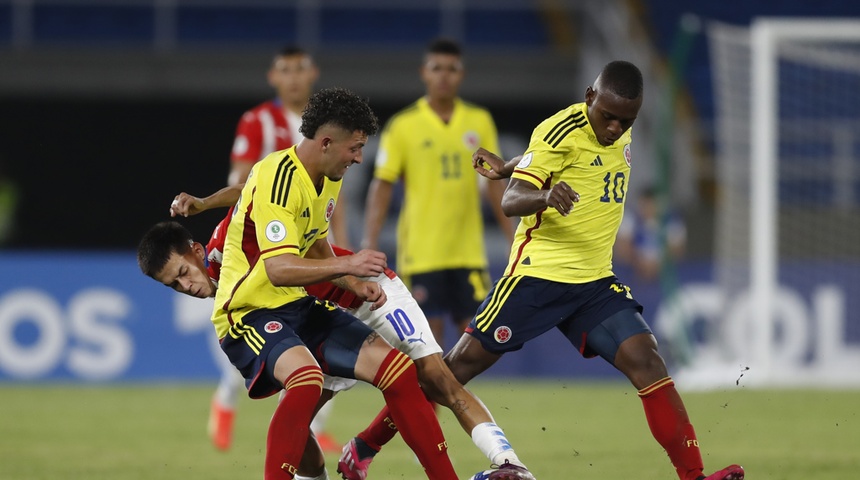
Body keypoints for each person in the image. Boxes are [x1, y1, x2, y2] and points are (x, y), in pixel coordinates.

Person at [442, 61, 745, 480]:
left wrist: (511, 163)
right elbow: (512, 201)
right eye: (608, 117)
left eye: (627, 120)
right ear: (589, 97)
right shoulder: (559, 129)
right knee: (450, 373)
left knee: (649, 360)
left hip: (593, 282)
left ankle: (694, 477)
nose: (616, 128)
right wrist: (543, 193)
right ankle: (365, 445)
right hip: (536, 277)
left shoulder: (618, 122)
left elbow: (552, 159)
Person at [153, 87, 460, 480]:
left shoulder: (326, 176)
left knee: (397, 370)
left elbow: (313, 240)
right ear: (328, 142)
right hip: (247, 312)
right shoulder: (278, 177)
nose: (359, 157)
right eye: (356, 147)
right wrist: (350, 263)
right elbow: (279, 267)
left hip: (294, 304)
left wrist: (350, 282)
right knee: (306, 380)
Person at [164, 188, 534, 480]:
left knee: (436, 377)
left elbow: (253, 189)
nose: (186, 286)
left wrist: (204, 203)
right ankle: (356, 452)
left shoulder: (226, 244)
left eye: (183, 272)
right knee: (297, 421)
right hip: (326, 320)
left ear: (196, 251)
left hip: (370, 293)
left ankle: (510, 463)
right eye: (174, 285)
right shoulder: (232, 302)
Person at [215, 44, 343, 453]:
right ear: (273, 77)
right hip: (261, 249)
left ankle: (315, 424)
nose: (292, 78)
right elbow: (241, 185)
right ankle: (226, 399)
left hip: (309, 244)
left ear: (313, 74)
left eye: (299, 69)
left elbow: (328, 200)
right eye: (284, 70)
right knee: (255, 329)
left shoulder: (328, 126)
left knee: (315, 339)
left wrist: (337, 250)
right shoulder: (258, 121)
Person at [362, 38, 514, 351]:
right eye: (437, 68)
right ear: (424, 73)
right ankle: (430, 404)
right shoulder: (404, 125)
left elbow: (494, 182)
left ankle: (460, 402)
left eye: (452, 69)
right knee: (428, 344)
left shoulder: (479, 121)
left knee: (474, 343)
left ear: (462, 74)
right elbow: (383, 184)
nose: (444, 75)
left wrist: (513, 236)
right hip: (422, 252)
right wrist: (370, 242)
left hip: (468, 250)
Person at [615, 185, 687, 283]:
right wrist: (638, 263)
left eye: (652, 204)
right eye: (645, 204)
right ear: (640, 203)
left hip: (663, 272)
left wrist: (658, 266)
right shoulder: (630, 218)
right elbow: (622, 248)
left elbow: (677, 250)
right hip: (632, 271)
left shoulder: (671, 221)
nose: (649, 208)